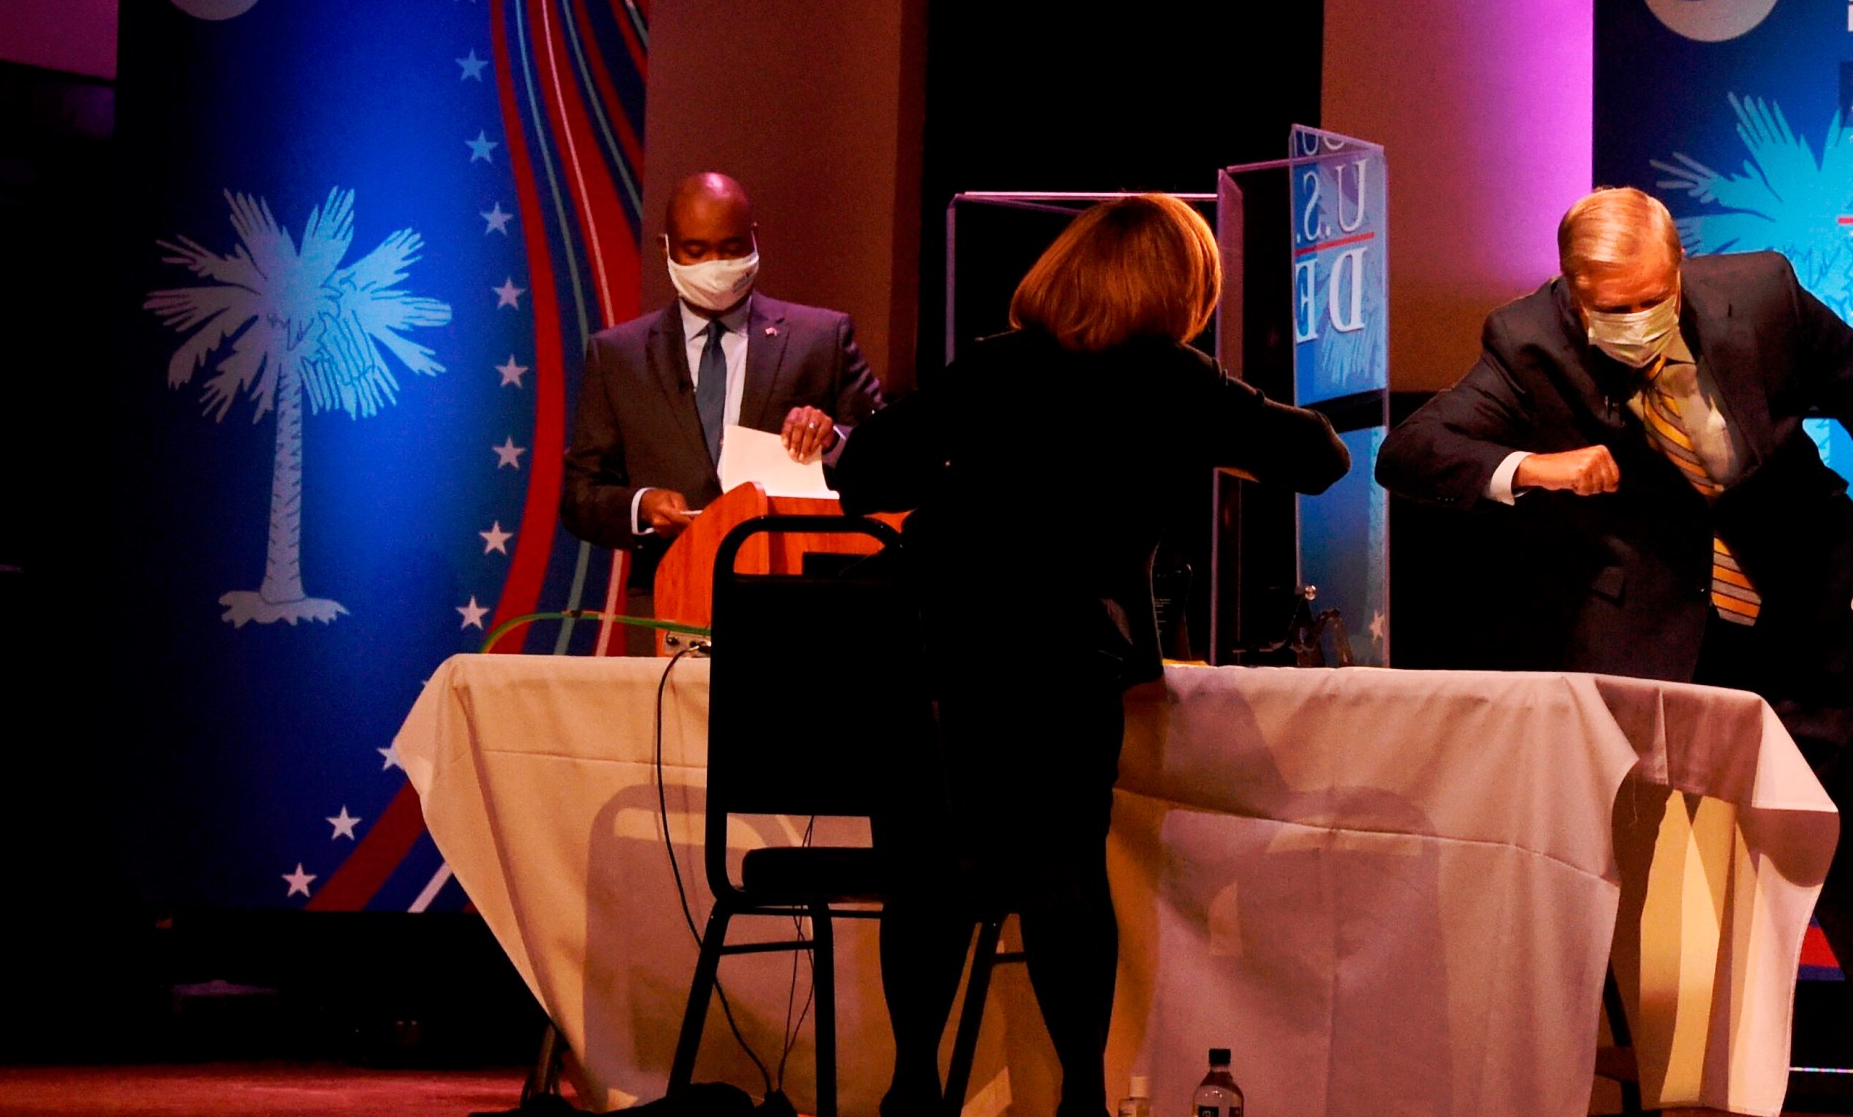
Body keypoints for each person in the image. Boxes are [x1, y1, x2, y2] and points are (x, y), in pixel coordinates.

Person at [1374, 187, 1853, 1117]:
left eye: (1650, 298)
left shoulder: (1764, 294)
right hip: (1658, 648)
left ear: (1678, 270)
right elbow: (1412, 451)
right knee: (1660, 895)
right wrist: (1532, 469)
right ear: (1572, 290)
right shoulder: (1527, 341)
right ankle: (1677, 1094)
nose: (1635, 321)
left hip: (1808, 623)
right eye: (1610, 308)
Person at [835, 193, 1350, 1117]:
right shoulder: (1174, 382)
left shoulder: (992, 369)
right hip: (1058, 655)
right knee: (1061, 872)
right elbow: (1318, 459)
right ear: (1181, 291)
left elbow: (863, 474)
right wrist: (1212, 437)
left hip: (926, 649)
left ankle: (913, 1086)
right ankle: (1080, 1097)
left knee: (930, 874)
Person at [560, 171, 885, 594]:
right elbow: (581, 495)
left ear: (753, 238)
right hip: (668, 588)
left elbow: (886, 458)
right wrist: (642, 506)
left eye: (731, 249)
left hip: (796, 592)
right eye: (696, 251)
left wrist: (834, 441)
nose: (715, 265)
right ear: (667, 248)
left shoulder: (820, 338)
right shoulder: (618, 356)